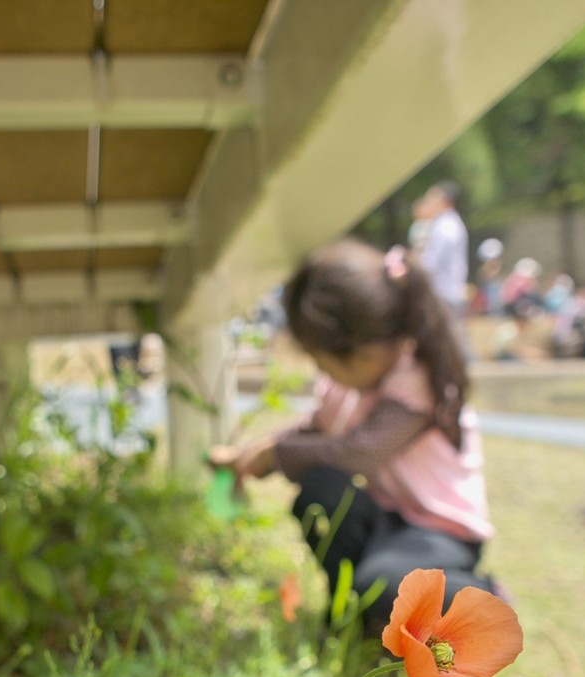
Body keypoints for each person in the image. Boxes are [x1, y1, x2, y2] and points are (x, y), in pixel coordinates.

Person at [211, 237, 498, 635]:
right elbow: (314, 435)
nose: (322, 372)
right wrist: (251, 455)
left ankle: (481, 596)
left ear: (363, 354)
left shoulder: (417, 380)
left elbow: (360, 451)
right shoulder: (351, 383)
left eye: (321, 361)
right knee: (321, 487)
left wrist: (274, 454)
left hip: (439, 532)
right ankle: (355, 611)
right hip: (387, 517)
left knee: (380, 584)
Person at [418, 181, 469, 319]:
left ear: (444, 201)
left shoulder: (443, 226)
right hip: (452, 291)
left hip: (443, 293)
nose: (429, 202)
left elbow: (431, 262)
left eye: (432, 198)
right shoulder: (452, 223)